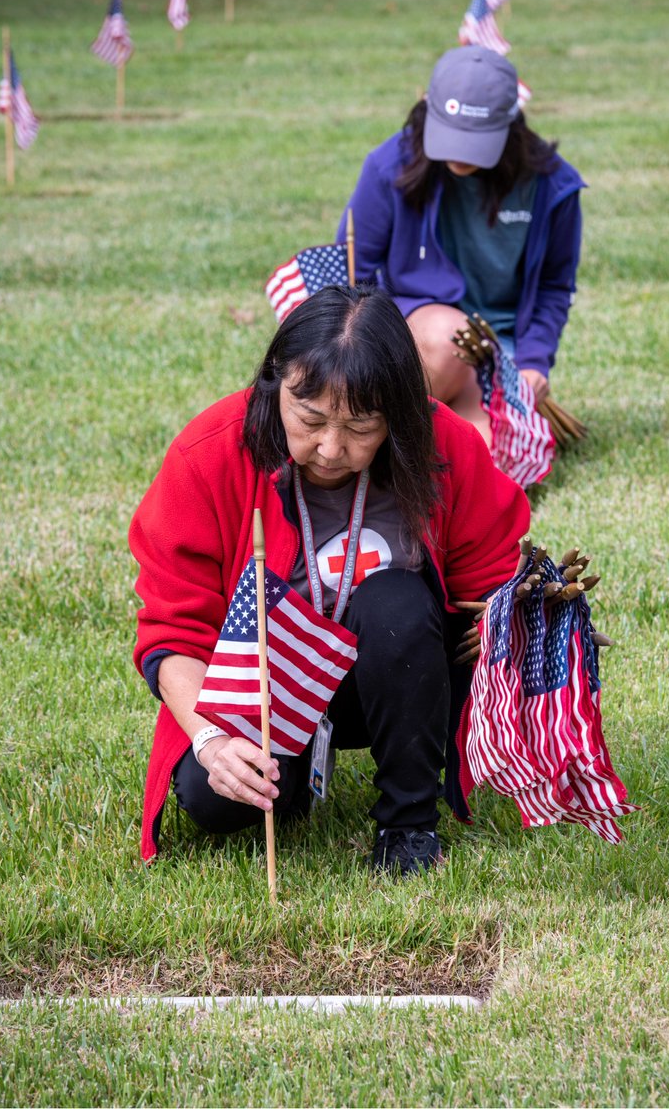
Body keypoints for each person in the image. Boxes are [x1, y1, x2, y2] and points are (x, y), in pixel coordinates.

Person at [130, 285, 530, 877]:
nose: (331, 448)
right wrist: (212, 741)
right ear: (276, 382)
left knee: (395, 600)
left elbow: (490, 588)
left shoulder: (444, 445)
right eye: (309, 418)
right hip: (269, 685)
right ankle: (286, 786)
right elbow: (170, 635)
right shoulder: (209, 453)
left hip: (399, 670)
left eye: (361, 427)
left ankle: (408, 824)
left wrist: (530, 620)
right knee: (213, 800)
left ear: (400, 410)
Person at [336, 44, 585, 446]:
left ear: (511, 124)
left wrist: (535, 362)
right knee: (451, 336)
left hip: (497, 355)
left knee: (488, 472)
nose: (459, 152)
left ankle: (422, 436)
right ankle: (392, 433)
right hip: (420, 338)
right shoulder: (389, 166)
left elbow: (555, 286)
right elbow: (348, 275)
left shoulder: (554, 186)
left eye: (475, 139)